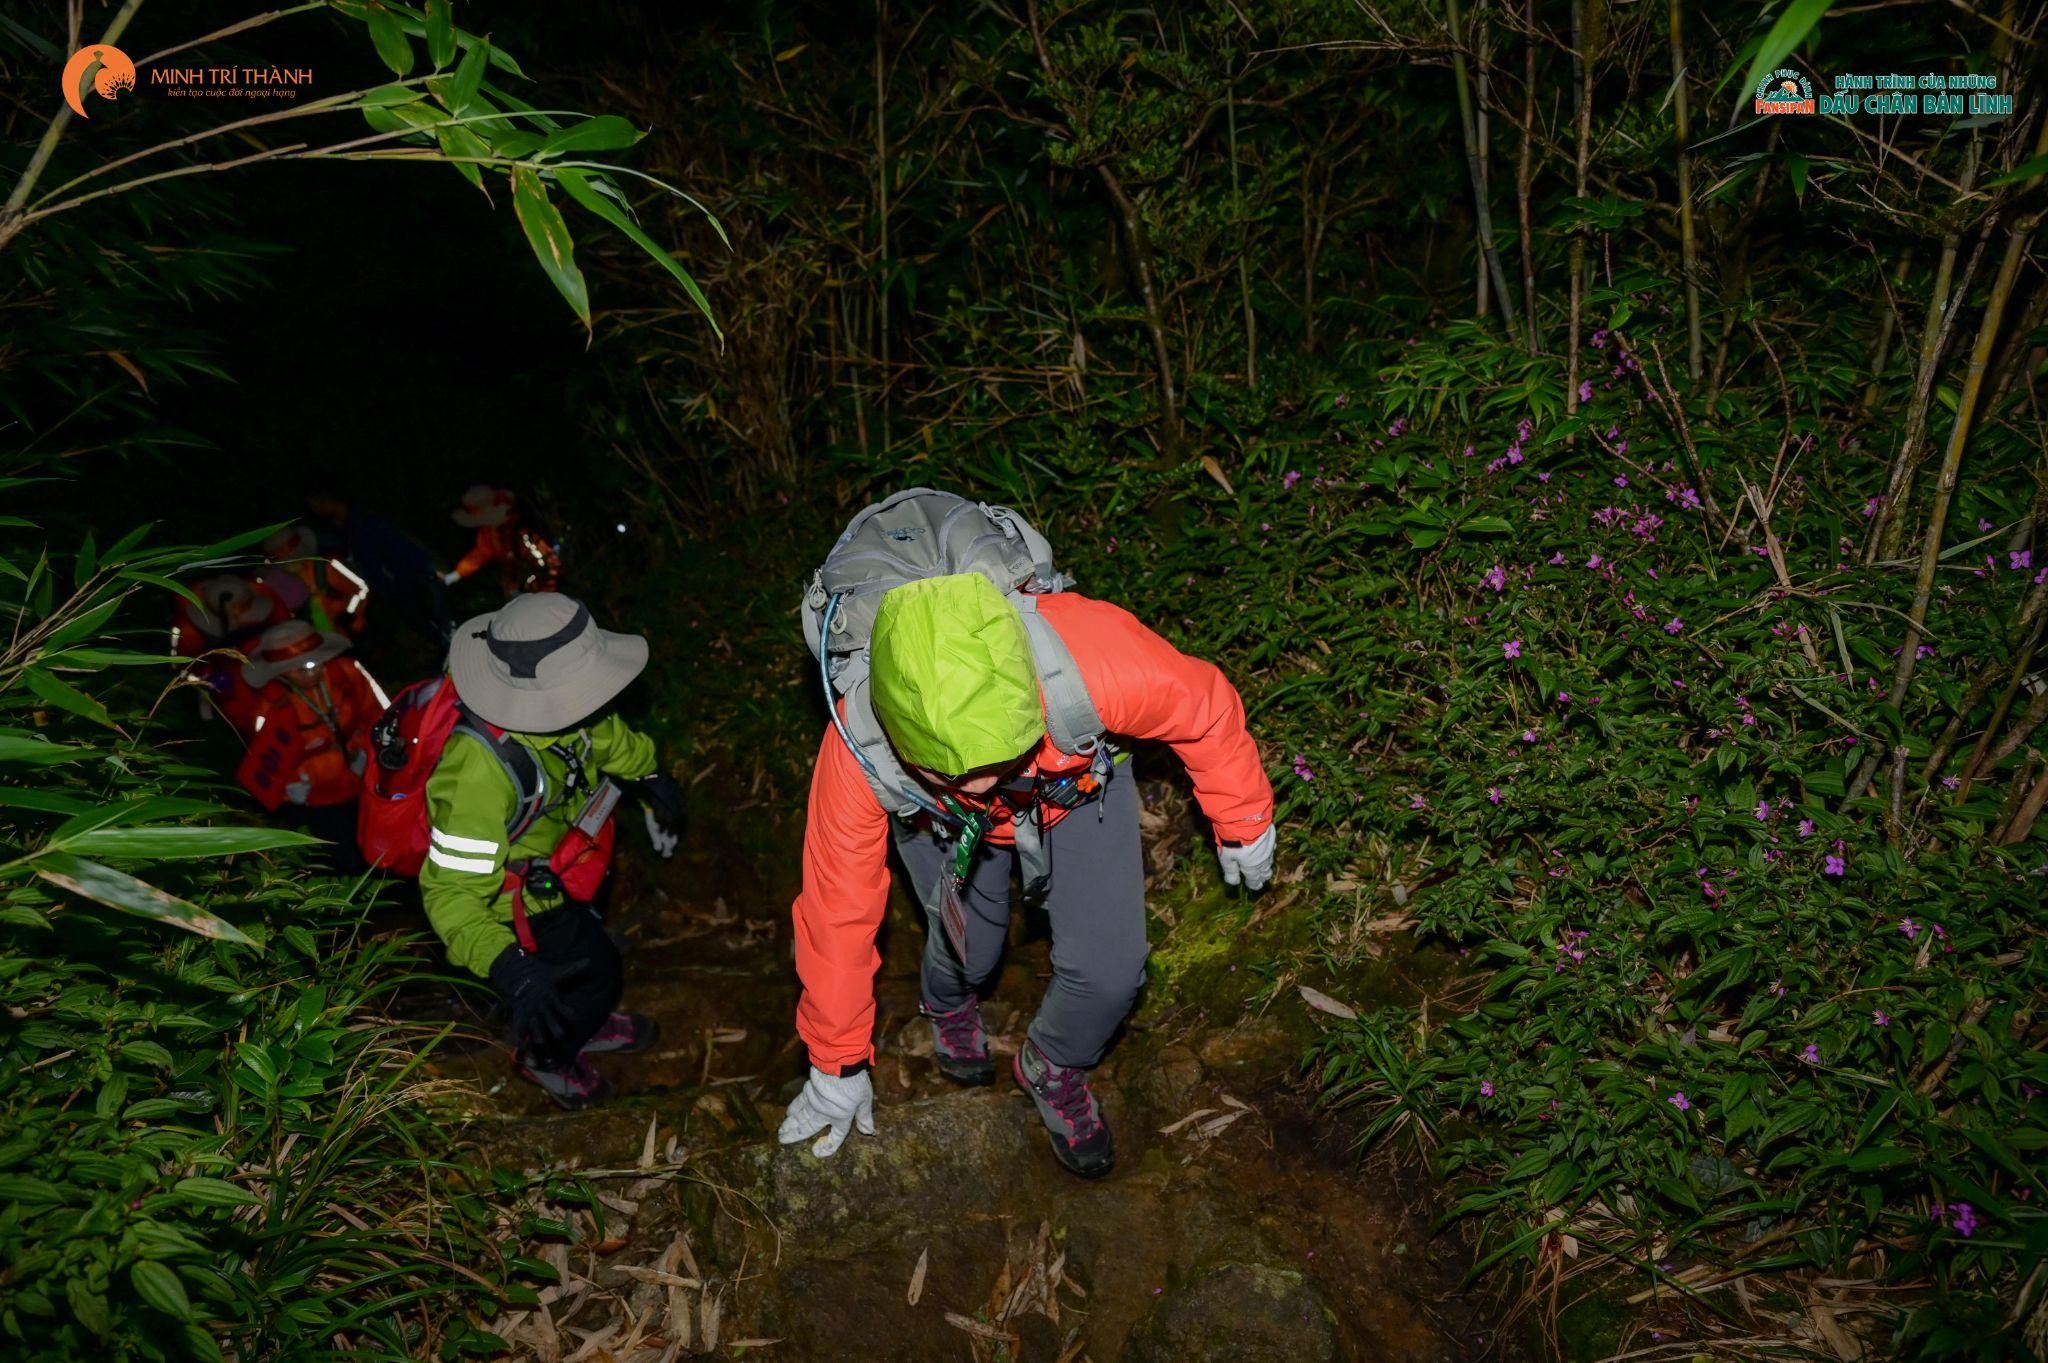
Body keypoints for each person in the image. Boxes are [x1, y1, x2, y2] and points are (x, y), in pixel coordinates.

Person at [778, 571, 1276, 1177]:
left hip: (1070, 785)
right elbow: (837, 914)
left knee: (1111, 971)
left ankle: (1053, 1062)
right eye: (957, 770)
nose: (985, 785)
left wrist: (1243, 815)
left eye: (998, 757)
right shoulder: (858, 753)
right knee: (971, 950)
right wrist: (837, 1062)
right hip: (943, 822)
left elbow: (1202, 706)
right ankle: (948, 1001)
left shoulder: (1087, 654)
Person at [419, 592, 682, 1108]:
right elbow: (451, 895)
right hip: (517, 899)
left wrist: (652, 774)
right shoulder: (476, 772)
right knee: (599, 969)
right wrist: (508, 965)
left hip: (568, 859)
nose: (593, 699)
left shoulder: (571, 706)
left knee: (589, 959)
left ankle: (585, 1017)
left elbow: (608, 740)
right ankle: (547, 1056)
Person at [236, 620, 390, 870]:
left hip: (363, 780)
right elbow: (267, 758)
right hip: (317, 799)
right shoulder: (271, 707)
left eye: (316, 663)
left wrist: (369, 750)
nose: (312, 673)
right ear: (279, 671)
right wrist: (292, 783)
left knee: (378, 848)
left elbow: (378, 713)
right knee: (339, 858)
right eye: (300, 669)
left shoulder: (347, 673)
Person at [305, 488, 449, 649]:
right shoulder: (342, 529)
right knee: (427, 628)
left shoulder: (365, 521)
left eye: (316, 504)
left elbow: (402, 548)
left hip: (410, 581)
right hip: (391, 588)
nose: (315, 510)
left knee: (440, 624)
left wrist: (424, 574)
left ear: (329, 500)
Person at [171, 574, 287, 731]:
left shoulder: (262, 594)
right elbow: (184, 667)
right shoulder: (190, 631)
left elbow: (286, 629)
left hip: (273, 674)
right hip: (230, 687)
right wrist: (208, 677)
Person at [444, 484, 561, 597]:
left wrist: (547, 588)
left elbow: (547, 560)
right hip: (519, 580)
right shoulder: (489, 533)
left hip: (542, 579)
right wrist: (457, 573)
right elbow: (480, 553)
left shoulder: (522, 529)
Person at [259, 524, 371, 637]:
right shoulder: (283, 580)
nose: (288, 566)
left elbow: (362, 588)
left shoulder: (329, 566)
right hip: (327, 642)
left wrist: (349, 613)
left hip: (353, 631)